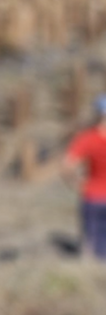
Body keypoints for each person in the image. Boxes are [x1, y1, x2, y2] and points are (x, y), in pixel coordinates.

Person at [64, 95, 106, 258]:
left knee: (92, 247)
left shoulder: (87, 138)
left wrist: (76, 184)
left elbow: (67, 165)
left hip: (93, 196)